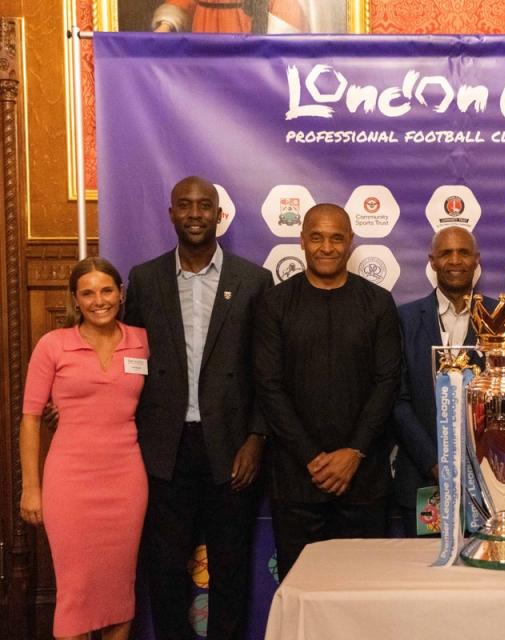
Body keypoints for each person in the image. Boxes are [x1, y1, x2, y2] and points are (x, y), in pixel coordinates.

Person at [124, 176, 273, 640]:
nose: (194, 214)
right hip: (163, 448)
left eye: (203, 206)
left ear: (218, 215)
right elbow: (126, 359)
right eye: (184, 205)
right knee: (165, 571)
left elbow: (266, 372)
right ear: (170, 213)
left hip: (230, 448)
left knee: (230, 569)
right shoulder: (144, 279)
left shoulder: (253, 280)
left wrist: (256, 438)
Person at [255, 203, 401, 580]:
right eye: (317, 237)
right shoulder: (274, 303)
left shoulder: (378, 303)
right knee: (303, 591)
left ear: (350, 242)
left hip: (363, 480)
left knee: (363, 592)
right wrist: (312, 458)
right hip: (296, 480)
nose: (327, 247)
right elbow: (268, 386)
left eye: (337, 238)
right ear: (302, 241)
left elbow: (387, 382)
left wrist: (353, 452)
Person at [20, 256, 149, 640]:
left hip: (126, 480)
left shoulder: (142, 342)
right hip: (70, 483)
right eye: (87, 293)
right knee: (75, 593)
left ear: (121, 293)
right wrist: (30, 488)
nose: (99, 301)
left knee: (120, 592)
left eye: (107, 290)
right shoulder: (53, 345)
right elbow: (29, 417)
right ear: (75, 300)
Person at [393, 227, 497, 536]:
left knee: (483, 578)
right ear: (432, 261)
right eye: (446, 253)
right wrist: (433, 461)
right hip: (423, 477)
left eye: (464, 252)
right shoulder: (405, 318)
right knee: (426, 577)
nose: (455, 260)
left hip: (490, 480)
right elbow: (398, 400)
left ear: (476, 260)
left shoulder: (499, 316)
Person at [152, 0, 307, 34]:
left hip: (248, 51)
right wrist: (166, 24)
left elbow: (286, 26)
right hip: (204, 48)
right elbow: (183, 3)